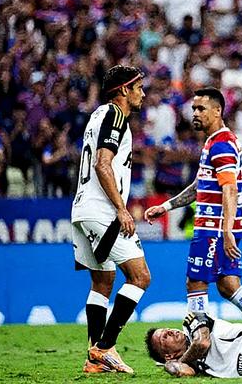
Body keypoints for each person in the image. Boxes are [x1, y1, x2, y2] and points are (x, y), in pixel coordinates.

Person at [145, 88, 242, 321]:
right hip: (221, 227)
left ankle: (199, 335)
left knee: (196, 282)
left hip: (215, 228)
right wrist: (166, 207)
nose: (195, 114)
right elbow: (200, 185)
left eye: (201, 109)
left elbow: (230, 189)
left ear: (218, 111)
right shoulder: (216, 141)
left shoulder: (221, 145)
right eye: (194, 109)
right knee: (228, 285)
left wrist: (226, 231)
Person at [70, 65, 150, 374]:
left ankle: (94, 360)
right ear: (124, 90)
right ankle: (105, 347)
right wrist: (121, 208)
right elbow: (103, 164)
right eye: (138, 87)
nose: (143, 93)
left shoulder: (97, 116)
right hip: (102, 211)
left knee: (102, 281)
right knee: (140, 277)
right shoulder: (116, 115)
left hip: (82, 208)